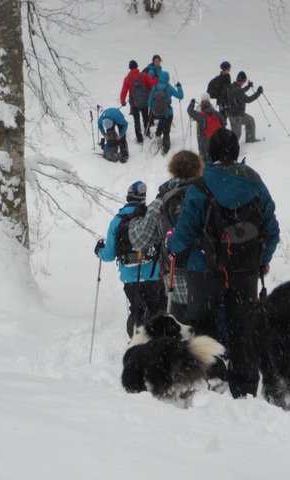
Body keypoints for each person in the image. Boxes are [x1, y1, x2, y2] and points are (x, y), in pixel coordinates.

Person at [166, 128, 280, 399]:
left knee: (204, 323)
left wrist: (173, 247)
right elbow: (272, 229)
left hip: (204, 270)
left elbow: (185, 232)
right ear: (236, 152)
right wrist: (261, 261)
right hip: (244, 270)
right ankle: (246, 390)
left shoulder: (201, 186)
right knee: (242, 327)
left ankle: (213, 380)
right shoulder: (255, 183)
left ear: (210, 155)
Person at [128, 150, 203, 321]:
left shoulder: (161, 203)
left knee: (181, 336)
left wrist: (136, 218)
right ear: (199, 170)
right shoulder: (210, 195)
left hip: (176, 282)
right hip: (210, 280)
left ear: (173, 171)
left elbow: (139, 241)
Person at [95, 181, 167, 337]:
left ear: (128, 197)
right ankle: (158, 343)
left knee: (137, 311)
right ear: (143, 198)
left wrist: (98, 251)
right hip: (154, 274)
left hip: (130, 277)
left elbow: (108, 255)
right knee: (157, 310)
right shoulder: (150, 216)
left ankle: (136, 342)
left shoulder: (117, 220)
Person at [120, 60, 156, 144]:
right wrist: (156, 79)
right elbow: (152, 84)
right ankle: (147, 133)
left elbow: (124, 91)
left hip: (134, 103)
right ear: (137, 66)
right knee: (145, 118)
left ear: (129, 68)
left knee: (136, 121)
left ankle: (139, 138)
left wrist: (123, 101)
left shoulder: (127, 79)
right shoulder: (143, 75)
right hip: (144, 101)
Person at [148, 71, 184, 155]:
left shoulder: (155, 87)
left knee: (160, 124)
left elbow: (149, 102)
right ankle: (166, 146)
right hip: (168, 112)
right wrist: (179, 87)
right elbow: (180, 96)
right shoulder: (169, 88)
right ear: (168, 78)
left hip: (158, 112)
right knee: (166, 130)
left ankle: (157, 138)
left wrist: (154, 111)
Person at [227, 71, 263, 143]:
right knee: (236, 135)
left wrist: (248, 86)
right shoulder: (237, 89)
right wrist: (258, 93)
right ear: (242, 80)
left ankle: (250, 140)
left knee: (250, 121)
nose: (244, 83)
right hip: (235, 115)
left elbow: (241, 91)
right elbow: (248, 99)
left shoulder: (233, 86)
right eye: (245, 81)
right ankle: (230, 150)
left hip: (238, 113)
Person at [186, 93, 226, 159]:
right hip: (215, 138)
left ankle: (205, 167)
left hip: (203, 138)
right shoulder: (214, 112)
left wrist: (192, 104)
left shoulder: (201, 116)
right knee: (214, 155)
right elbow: (223, 121)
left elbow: (190, 111)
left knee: (204, 157)